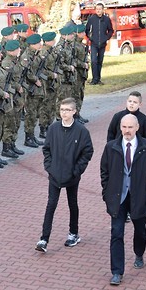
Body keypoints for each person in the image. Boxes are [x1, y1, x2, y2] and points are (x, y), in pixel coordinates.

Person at [101, 114, 146, 286]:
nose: (127, 131)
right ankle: (117, 272)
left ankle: (139, 253)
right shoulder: (111, 147)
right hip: (117, 198)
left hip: (139, 197)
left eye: (130, 127)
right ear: (120, 127)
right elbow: (104, 171)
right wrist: (107, 193)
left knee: (140, 230)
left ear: (137, 128)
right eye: (124, 127)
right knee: (116, 233)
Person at [35, 98, 93, 253]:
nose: (64, 113)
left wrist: (76, 170)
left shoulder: (81, 131)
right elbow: (46, 149)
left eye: (67, 110)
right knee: (51, 205)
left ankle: (73, 233)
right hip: (55, 175)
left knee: (72, 203)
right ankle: (44, 239)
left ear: (74, 111)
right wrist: (49, 167)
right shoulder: (53, 128)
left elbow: (88, 152)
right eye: (62, 110)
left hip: (72, 176)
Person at [85, 2, 114, 85]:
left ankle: (98, 79)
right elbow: (87, 30)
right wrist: (91, 38)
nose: (98, 11)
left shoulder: (106, 19)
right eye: (97, 9)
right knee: (94, 61)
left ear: (103, 10)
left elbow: (111, 30)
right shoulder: (92, 19)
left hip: (102, 43)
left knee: (100, 61)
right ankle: (94, 79)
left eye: (100, 9)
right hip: (94, 43)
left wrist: (106, 38)